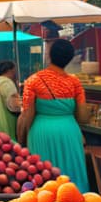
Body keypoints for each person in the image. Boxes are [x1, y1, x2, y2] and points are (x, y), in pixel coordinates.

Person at [18, 39, 90, 191]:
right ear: (69, 59)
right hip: (69, 132)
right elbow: (83, 117)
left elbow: (26, 116)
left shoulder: (33, 81)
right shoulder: (75, 82)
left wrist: (21, 141)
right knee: (72, 179)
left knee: (44, 183)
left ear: (49, 56)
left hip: (41, 133)